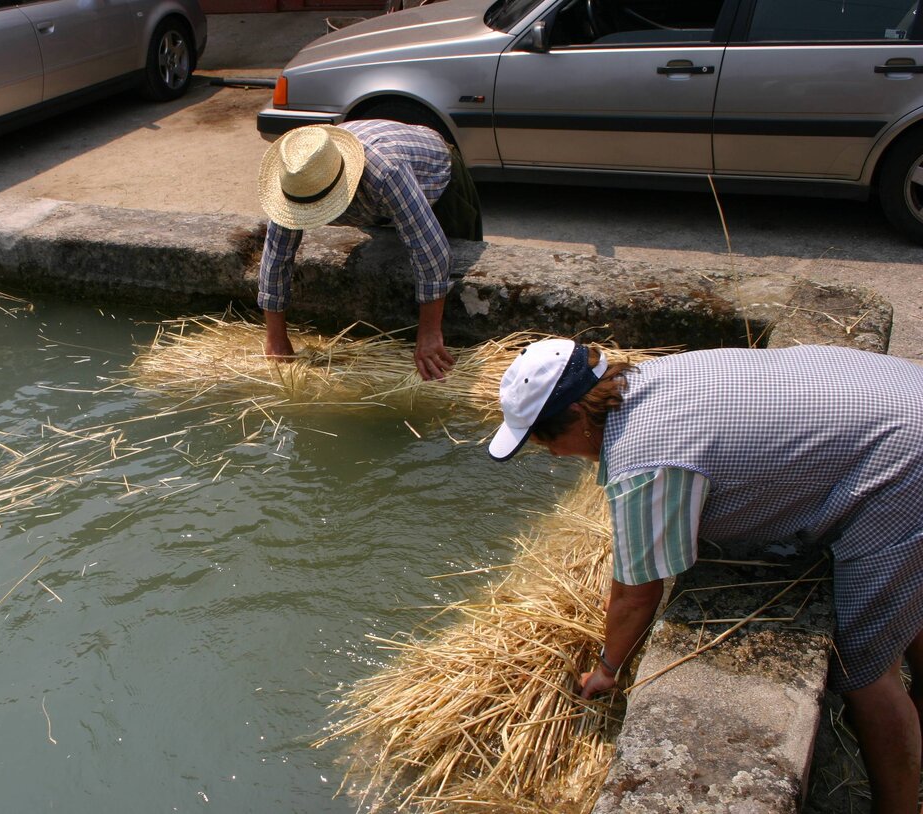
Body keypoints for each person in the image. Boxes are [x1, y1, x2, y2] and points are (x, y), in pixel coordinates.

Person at [488, 338, 923, 814]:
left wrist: (608, 668)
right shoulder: (655, 380)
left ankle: (899, 806)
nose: (549, 453)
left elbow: (637, 592)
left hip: (903, 457)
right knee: (908, 596)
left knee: (864, 669)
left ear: (578, 414)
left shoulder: (645, 458)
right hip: (903, 391)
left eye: (545, 437)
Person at [256, 119, 483, 381]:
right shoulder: (297, 177)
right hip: (380, 201)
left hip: (436, 178)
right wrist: (275, 338)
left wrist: (429, 334)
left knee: (455, 287)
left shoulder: (385, 171)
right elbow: (277, 253)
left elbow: (432, 252)